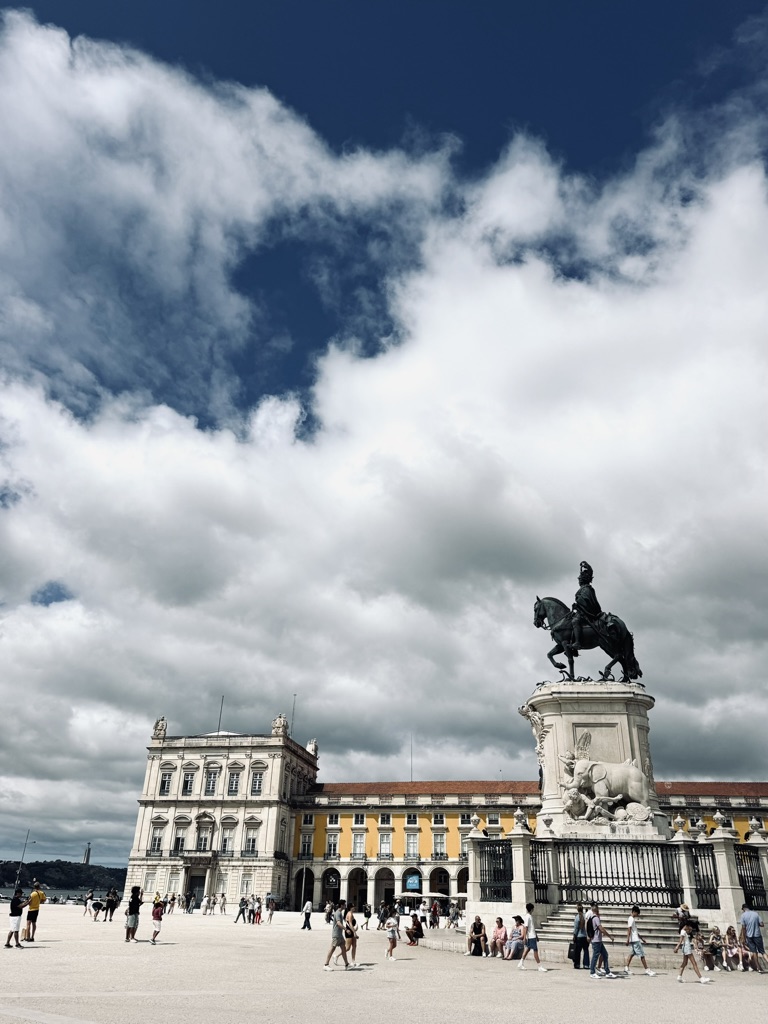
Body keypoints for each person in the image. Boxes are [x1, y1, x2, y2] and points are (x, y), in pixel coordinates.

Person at [588, 903, 617, 979]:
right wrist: (609, 936)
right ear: (596, 909)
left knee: (605, 954)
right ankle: (592, 972)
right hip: (596, 940)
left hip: (597, 940)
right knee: (595, 956)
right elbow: (601, 928)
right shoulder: (596, 918)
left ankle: (607, 971)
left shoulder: (592, 917)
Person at [624, 906, 656, 976]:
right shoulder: (631, 919)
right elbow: (629, 929)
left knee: (631, 954)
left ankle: (626, 968)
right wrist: (627, 940)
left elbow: (634, 931)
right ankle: (647, 969)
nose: (637, 915)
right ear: (634, 912)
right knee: (642, 955)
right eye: (637, 913)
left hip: (634, 939)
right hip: (635, 940)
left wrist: (642, 939)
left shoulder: (631, 919)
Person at [324, 900, 355, 970]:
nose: (345, 906)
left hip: (340, 935)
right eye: (344, 905)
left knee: (343, 949)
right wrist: (346, 929)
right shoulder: (338, 913)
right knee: (332, 949)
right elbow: (338, 923)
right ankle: (326, 964)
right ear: (341, 905)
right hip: (336, 934)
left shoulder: (340, 913)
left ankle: (347, 964)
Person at [519, 903, 548, 971]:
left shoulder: (529, 916)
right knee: (535, 950)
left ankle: (521, 962)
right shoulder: (528, 917)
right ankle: (539, 966)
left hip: (532, 935)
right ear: (532, 909)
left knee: (528, 949)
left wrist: (536, 935)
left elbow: (532, 927)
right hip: (531, 936)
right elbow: (526, 927)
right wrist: (524, 937)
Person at [740, 903, 767, 973]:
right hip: (757, 935)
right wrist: (755, 924)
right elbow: (762, 924)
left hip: (749, 936)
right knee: (762, 951)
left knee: (754, 952)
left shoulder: (743, 916)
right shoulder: (755, 914)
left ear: (743, 909)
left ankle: (758, 967)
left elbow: (743, 928)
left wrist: (743, 937)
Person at [570, 903, 590, 970]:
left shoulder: (577, 917)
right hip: (585, 936)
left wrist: (574, 935)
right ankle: (586, 964)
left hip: (579, 936)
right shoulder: (585, 916)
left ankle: (577, 964)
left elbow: (576, 928)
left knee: (578, 951)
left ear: (577, 909)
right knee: (586, 950)